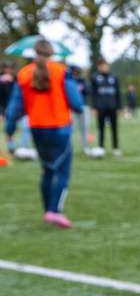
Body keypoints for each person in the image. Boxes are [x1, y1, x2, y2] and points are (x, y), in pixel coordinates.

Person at [4, 39, 83, 228]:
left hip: (37, 129)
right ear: (51, 53)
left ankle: (48, 209)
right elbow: (77, 103)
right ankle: (54, 211)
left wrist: (9, 130)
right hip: (60, 128)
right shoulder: (61, 72)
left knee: (47, 170)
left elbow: (14, 108)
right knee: (62, 171)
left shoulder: (23, 74)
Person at [90, 58, 122, 155]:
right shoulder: (95, 77)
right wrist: (94, 107)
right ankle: (101, 147)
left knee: (114, 128)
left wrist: (119, 107)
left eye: (106, 65)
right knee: (101, 128)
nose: (104, 67)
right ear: (99, 67)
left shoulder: (114, 77)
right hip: (100, 107)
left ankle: (115, 148)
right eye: (102, 65)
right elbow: (93, 94)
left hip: (112, 107)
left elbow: (118, 93)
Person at [69, 65, 90, 153]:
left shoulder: (82, 81)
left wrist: (85, 82)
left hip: (82, 106)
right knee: (70, 128)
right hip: (71, 108)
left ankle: (85, 147)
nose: (75, 74)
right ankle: (68, 148)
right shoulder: (68, 81)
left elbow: (88, 91)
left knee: (84, 128)